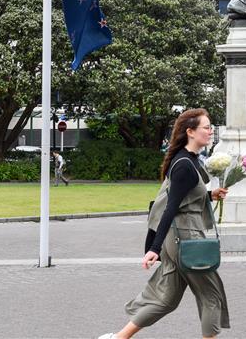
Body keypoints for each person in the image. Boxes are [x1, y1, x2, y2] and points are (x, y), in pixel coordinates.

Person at [99, 108, 230, 339]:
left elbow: (182, 200)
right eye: (206, 127)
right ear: (190, 131)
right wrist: (153, 249)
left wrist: (210, 195)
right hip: (186, 238)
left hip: (178, 239)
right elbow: (170, 208)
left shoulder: (187, 160)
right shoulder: (184, 165)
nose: (210, 132)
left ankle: (119, 338)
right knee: (211, 296)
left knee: (166, 299)